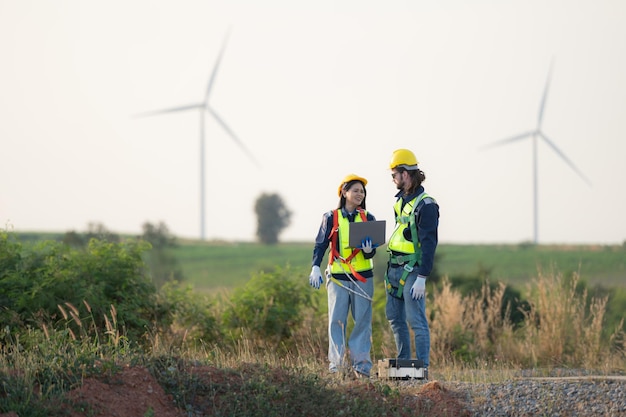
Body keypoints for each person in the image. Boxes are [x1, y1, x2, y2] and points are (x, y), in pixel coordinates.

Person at [309, 174, 378, 378]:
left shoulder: (368, 218)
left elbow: (372, 251)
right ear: (344, 192)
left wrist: (368, 250)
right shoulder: (331, 217)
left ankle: (362, 368)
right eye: (356, 190)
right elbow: (321, 244)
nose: (360, 194)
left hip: (363, 278)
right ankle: (337, 367)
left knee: (362, 323)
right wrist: (315, 266)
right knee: (337, 321)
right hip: (338, 277)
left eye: (362, 191)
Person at [385, 149, 439, 374]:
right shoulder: (400, 202)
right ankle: (404, 366)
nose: (393, 179)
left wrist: (422, 278)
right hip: (394, 268)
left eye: (394, 174)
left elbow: (429, 243)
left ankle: (422, 369)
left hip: (412, 270)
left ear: (405, 174)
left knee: (415, 320)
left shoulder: (426, 205)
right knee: (395, 318)